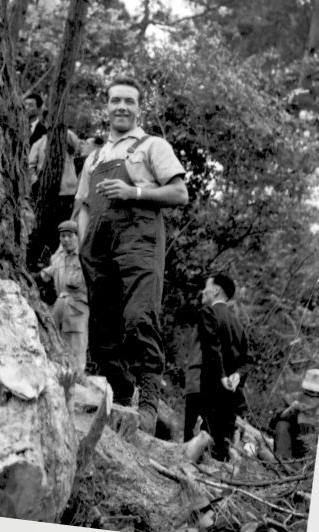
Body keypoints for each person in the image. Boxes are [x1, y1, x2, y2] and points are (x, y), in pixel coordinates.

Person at [75, 79, 188, 434]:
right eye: (115, 101)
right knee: (102, 332)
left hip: (138, 240)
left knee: (139, 318)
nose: (121, 106)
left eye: (129, 101)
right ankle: (123, 400)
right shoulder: (93, 157)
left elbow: (179, 193)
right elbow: (81, 205)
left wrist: (133, 191)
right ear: (106, 107)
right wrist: (82, 245)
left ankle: (150, 404)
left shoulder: (153, 145)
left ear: (139, 108)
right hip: (98, 247)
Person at [188, 274, 249, 460]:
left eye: (206, 287)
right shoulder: (238, 324)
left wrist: (221, 376)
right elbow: (247, 360)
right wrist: (237, 376)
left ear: (215, 290)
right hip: (228, 397)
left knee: (194, 442)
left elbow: (211, 348)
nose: (202, 291)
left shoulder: (208, 313)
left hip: (202, 387)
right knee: (220, 449)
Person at [39, 220, 89, 375]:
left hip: (77, 304)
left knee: (75, 344)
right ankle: (57, 377)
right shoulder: (59, 258)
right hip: (60, 303)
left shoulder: (84, 257)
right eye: (62, 236)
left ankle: (77, 379)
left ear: (77, 237)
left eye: (69, 236)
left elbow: (75, 282)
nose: (66, 240)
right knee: (52, 340)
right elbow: (46, 275)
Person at [271, 368, 319, 459]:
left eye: (317, 394)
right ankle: (282, 462)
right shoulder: (293, 398)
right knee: (282, 424)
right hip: (293, 445)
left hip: (312, 449)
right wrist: (290, 410)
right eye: (309, 392)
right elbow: (273, 422)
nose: (312, 396)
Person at [28, 127, 80, 222]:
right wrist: (36, 182)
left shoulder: (67, 138)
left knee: (65, 221)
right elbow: (30, 166)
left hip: (67, 190)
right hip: (47, 190)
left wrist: (64, 130)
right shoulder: (39, 144)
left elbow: (76, 145)